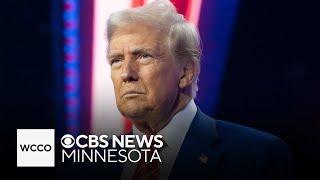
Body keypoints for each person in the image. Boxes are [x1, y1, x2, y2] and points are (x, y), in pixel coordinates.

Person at [106, 0, 292, 179]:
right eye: (117, 60)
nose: (126, 74)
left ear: (186, 72)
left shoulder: (256, 156)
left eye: (144, 56)